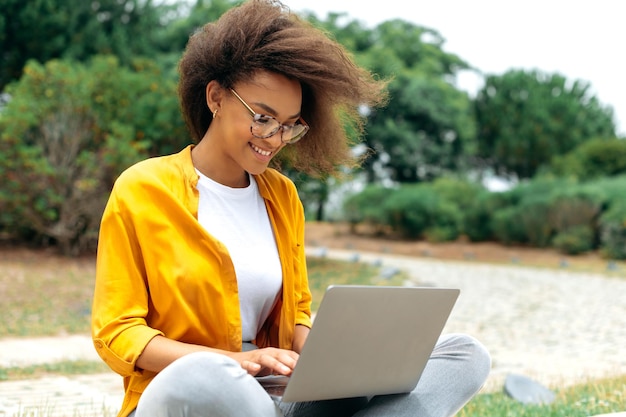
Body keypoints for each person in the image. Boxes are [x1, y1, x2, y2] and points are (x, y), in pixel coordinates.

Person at [91, 1, 491, 416]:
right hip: (192, 391)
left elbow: (297, 312)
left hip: (274, 392)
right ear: (215, 97)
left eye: (290, 124)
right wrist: (234, 363)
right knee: (206, 376)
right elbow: (118, 333)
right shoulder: (143, 189)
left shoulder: (281, 196)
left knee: (464, 354)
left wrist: (335, 362)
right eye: (262, 118)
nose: (276, 138)